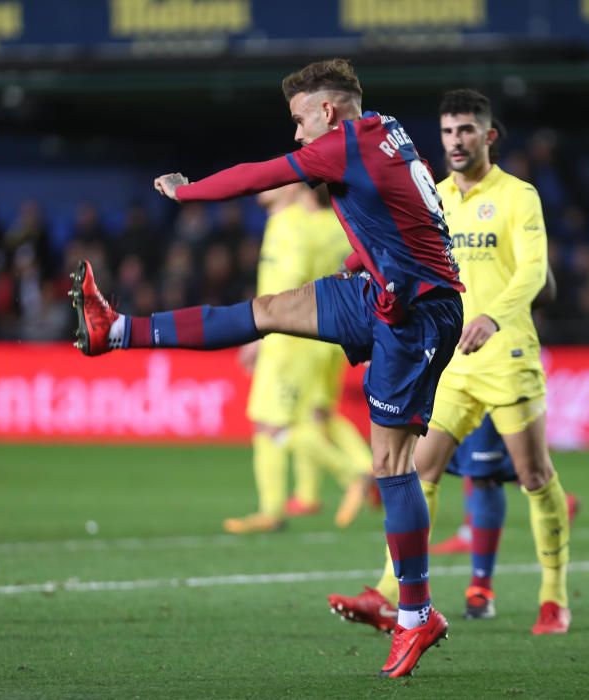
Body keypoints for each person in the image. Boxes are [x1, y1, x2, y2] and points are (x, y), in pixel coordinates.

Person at [71, 58, 465, 678]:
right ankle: (114, 329)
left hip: (414, 313)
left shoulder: (343, 145)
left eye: (300, 118)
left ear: (328, 112)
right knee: (268, 309)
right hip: (383, 292)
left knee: (391, 463)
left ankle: (416, 614)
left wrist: (186, 191)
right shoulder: (383, 129)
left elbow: (261, 175)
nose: (297, 133)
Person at [327, 89, 571, 636]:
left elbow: (534, 274)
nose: (456, 141)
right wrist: (359, 265)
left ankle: (553, 595)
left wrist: (493, 317)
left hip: (507, 356)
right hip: (451, 364)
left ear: (489, 136)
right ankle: (390, 594)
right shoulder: (432, 196)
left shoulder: (517, 196)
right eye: (447, 132)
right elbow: (400, 252)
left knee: (534, 475)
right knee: (418, 471)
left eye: (467, 130)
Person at [224, 183, 373, 535]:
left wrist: (260, 331)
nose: (266, 185)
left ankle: (352, 474)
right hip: (326, 333)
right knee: (312, 416)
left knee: (273, 423)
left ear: (297, 189)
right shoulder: (337, 224)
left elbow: (290, 279)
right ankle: (298, 497)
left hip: (289, 336)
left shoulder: (288, 223)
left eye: (278, 180)